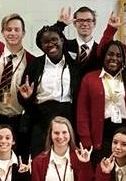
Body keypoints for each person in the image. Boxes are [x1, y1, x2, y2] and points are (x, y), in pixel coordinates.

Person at [76, 39, 126, 161]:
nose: (114, 58)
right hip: (101, 135)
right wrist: (86, 139)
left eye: (119, 56)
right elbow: (82, 112)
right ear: (103, 56)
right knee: (103, 170)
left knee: (125, 170)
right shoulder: (89, 79)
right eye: (110, 54)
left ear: (124, 59)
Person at [18, 25, 83, 157]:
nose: (51, 44)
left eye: (54, 39)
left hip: (67, 116)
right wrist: (26, 97)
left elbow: (79, 97)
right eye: (46, 42)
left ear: (62, 40)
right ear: (41, 46)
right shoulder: (35, 65)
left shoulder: (74, 65)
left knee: (65, 158)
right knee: (40, 158)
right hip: (41, 118)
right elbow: (24, 97)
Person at [0, 14, 34, 155]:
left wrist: (27, 97)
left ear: (23, 33)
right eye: (8, 29)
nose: (12, 33)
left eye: (17, 30)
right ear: (3, 32)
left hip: (19, 119)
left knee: (19, 158)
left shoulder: (31, 61)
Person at [52, 6, 103, 74]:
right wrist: (60, 25)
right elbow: (48, 39)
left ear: (94, 24)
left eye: (88, 20)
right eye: (80, 20)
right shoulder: (66, 45)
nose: (84, 24)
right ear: (74, 23)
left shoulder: (100, 50)